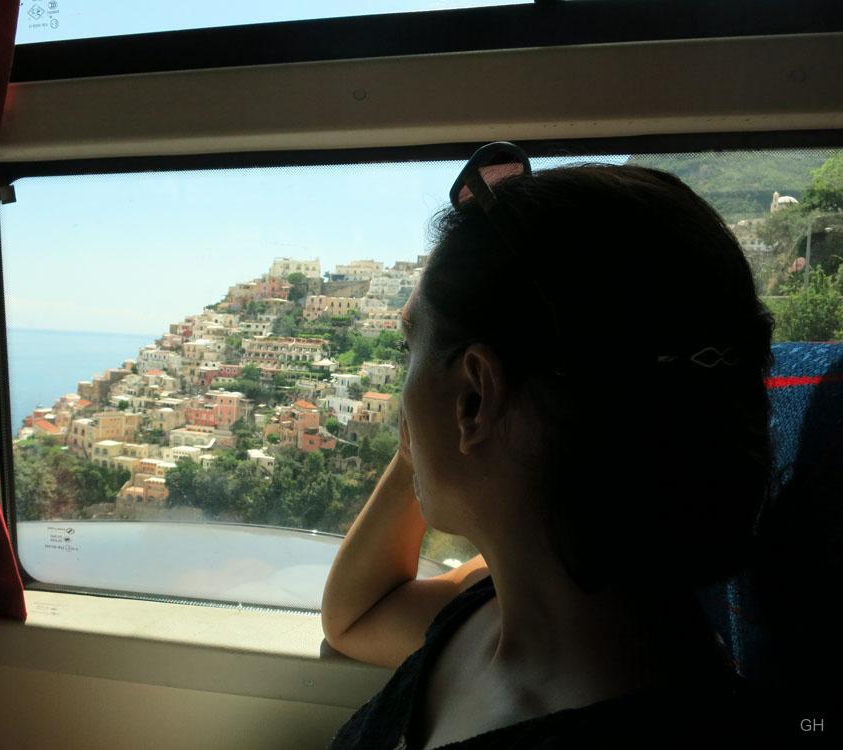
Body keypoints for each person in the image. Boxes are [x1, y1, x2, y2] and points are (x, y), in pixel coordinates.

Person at [320, 143, 811, 748]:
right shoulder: (514, 605)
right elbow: (358, 616)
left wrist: (432, 434)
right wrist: (423, 439)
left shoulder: (501, 610)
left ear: (474, 397)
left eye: (407, 350)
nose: (402, 391)